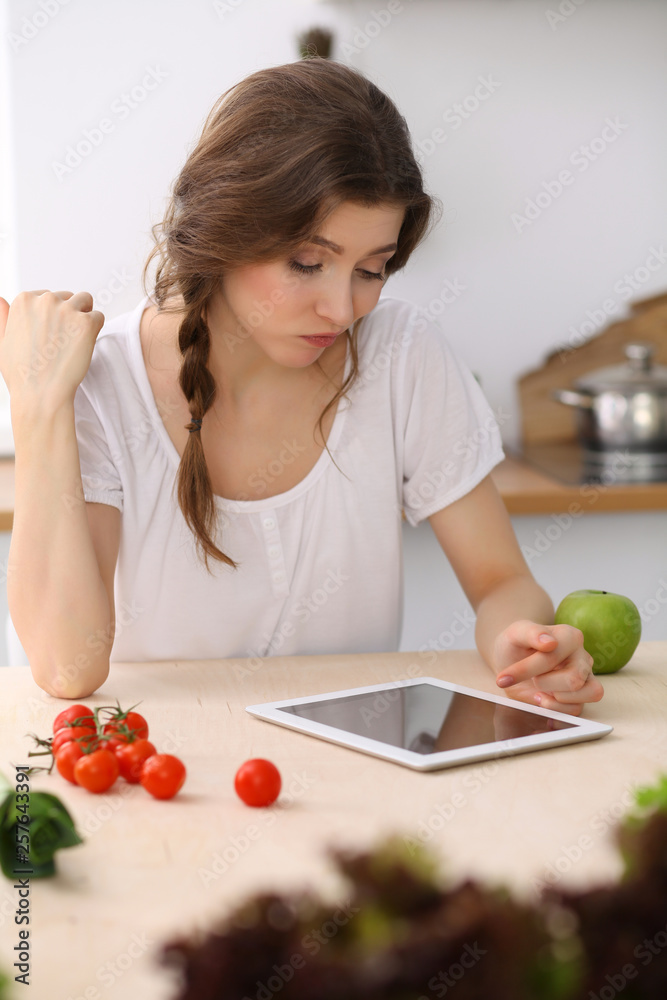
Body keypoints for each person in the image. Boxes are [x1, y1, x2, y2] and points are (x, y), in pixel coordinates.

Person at [0, 57, 603, 714]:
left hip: (360, 777)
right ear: (226, 230)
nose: (342, 311)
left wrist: (522, 640)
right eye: (308, 263)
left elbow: (500, 583)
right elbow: (67, 667)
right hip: (168, 777)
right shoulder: (105, 381)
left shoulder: (400, 353)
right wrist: (35, 404)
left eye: (371, 270)